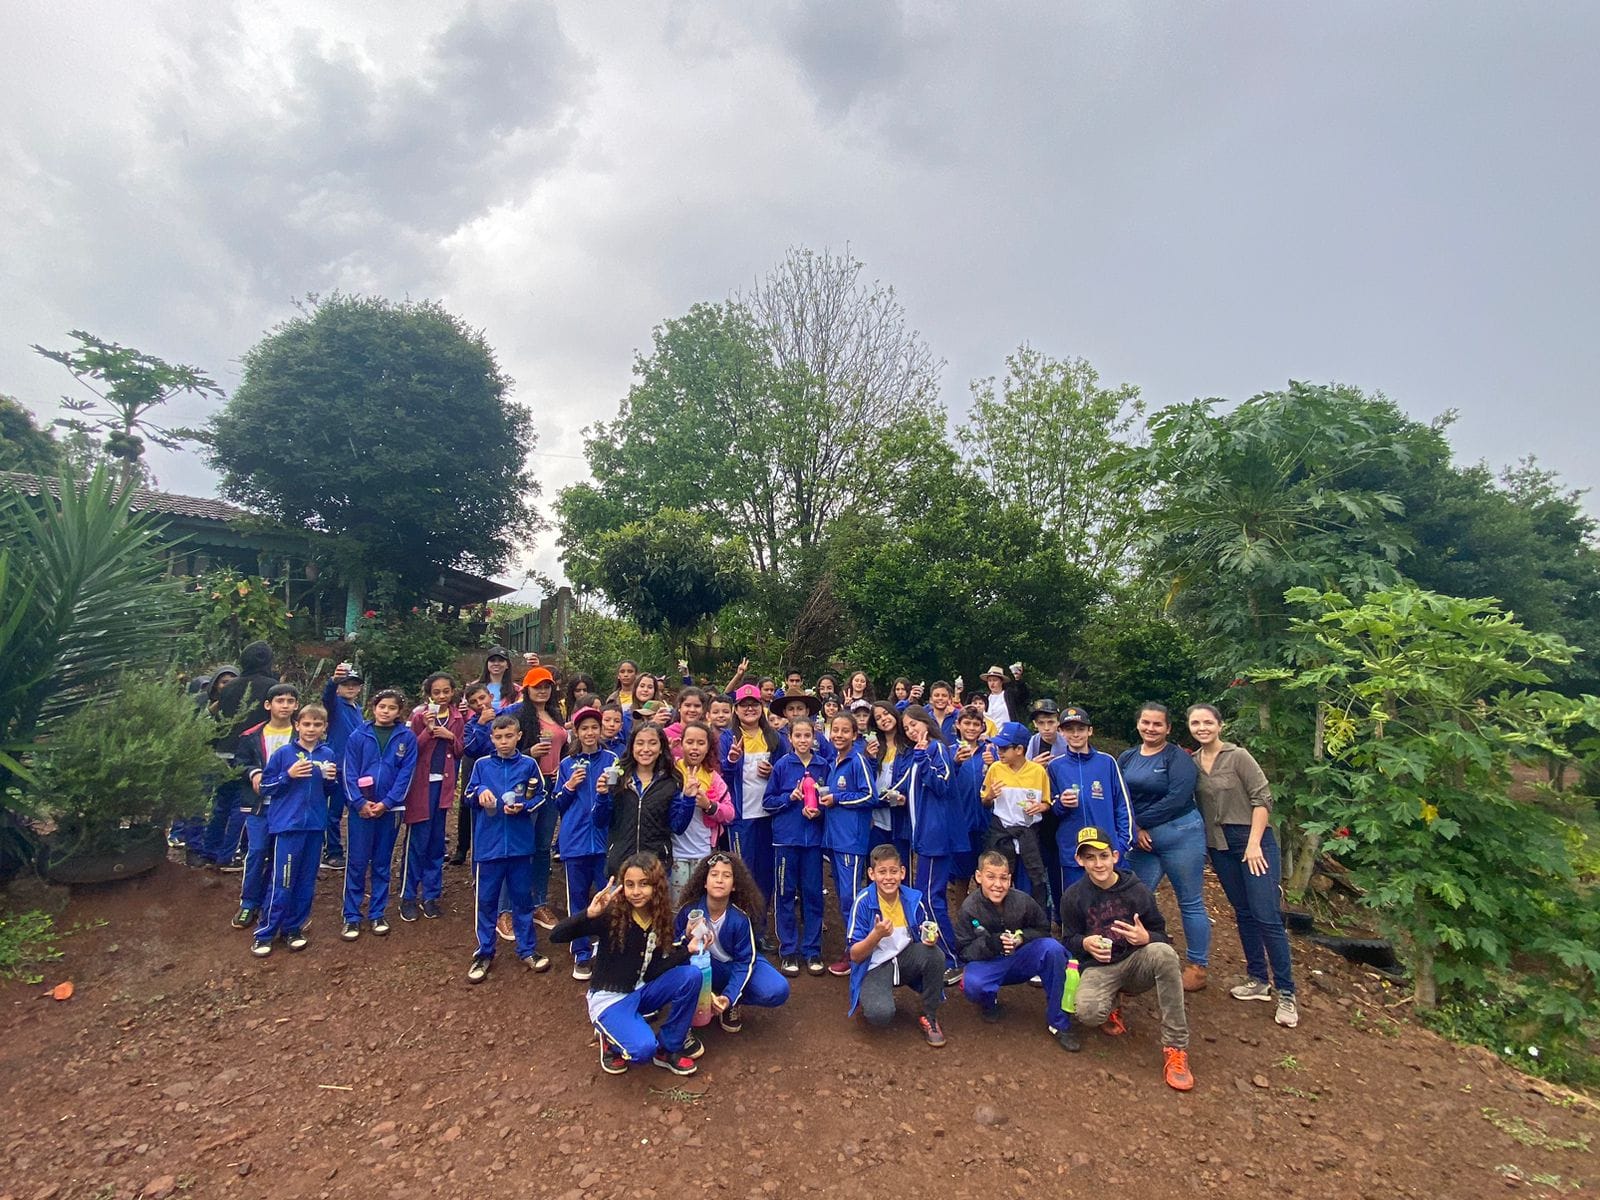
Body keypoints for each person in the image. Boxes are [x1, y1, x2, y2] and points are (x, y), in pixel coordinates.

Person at [1059, 826, 1195, 1091]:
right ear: (1080, 861)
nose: (1098, 864)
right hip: (1098, 968)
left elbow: (1161, 935)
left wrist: (1146, 938)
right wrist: (1084, 943)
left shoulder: (1137, 890)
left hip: (1135, 963)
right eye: (1090, 858)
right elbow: (1068, 942)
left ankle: (1176, 1048)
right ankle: (1111, 1004)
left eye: (1103, 856)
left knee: (1164, 954)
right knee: (1087, 1013)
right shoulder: (1073, 897)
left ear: (1115, 856)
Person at [1188, 703, 1298, 1028]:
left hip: (1254, 842)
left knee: (1267, 915)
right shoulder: (1192, 764)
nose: (1202, 727)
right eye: (1196, 723)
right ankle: (1258, 980)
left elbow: (1263, 799)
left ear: (1219, 725)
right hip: (1219, 846)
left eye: (1208, 722)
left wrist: (1253, 843)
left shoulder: (1238, 756)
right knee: (1243, 912)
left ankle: (1287, 993)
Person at [550, 853, 709, 1076]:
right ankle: (610, 1040)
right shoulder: (611, 916)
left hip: (641, 989)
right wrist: (589, 914)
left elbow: (654, 969)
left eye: (644, 884)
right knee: (643, 1050)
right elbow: (556, 935)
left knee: (691, 976)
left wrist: (687, 948)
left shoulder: (658, 918)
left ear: (657, 887)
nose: (636, 891)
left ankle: (669, 1048)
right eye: (629, 884)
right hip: (610, 999)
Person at [1119, 703, 1210, 992]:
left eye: (1158, 724)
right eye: (1146, 722)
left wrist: (1139, 822)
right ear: (1138, 724)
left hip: (1180, 835)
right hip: (1143, 841)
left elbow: (1176, 798)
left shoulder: (1178, 759)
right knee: (1132, 896)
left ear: (1168, 728)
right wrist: (1134, 828)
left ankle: (1197, 967)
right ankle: (1135, 951)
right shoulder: (1128, 757)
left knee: (1190, 901)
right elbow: (1119, 794)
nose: (1151, 728)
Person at [464, 714, 552, 981]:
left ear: (518, 736)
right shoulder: (481, 765)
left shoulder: (528, 765)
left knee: (522, 901)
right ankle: (484, 952)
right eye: (499, 737)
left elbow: (542, 795)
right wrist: (480, 795)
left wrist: (523, 807)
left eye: (509, 736)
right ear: (492, 738)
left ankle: (527, 949)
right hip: (488, 848)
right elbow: (468, 795)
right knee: (487, 902)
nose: (504, 742)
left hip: (520, 846)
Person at [955, 850, 1072, 1048]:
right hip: (990, 964)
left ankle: (1059, 1022)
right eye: (990, 877)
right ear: (978, 877)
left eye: (1003, 878)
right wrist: (990, 944)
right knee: (972, 984)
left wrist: (1021, 938)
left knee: (1053, 949)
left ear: (1010, 879)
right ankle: (989, 1002)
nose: (997, 885)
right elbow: (963, 951)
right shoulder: (969, 908)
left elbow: (1043, 929)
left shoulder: (1022, 901)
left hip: (1021, 959)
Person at [250, 703, 341, 957]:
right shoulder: (284, 754)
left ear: (324, 728)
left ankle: (293, 928)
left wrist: (331, 780)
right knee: (283, 881)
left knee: (305, 882)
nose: (311, 729)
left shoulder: (328, 754)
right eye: (307, 724)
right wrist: (288, 775)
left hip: (314, 826)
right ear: (297, 725)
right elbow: (266, 787)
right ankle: (265, 933)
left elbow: (332, 793)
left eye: (317, 725)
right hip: (288, 827)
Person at [675, 852, 790, 1035]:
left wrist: (729, 997)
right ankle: (696, 1005)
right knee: (686, 969)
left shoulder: (740, 918)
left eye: (726, 875)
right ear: (704, 882)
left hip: (735, 964)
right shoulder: (690, 911)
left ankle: (730, 1002)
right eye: (714, 874)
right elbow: (672, 951)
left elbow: (744, 961)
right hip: (705, 967)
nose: (719, 880)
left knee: (777, 989)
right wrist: (687, 937)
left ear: (735, 885)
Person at [846, 844, 947, 1046]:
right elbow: (855, 955)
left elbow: (924, 934)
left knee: (935, 954)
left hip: (905, 959)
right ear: (871, 874)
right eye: (882, 872)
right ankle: (867, 1002)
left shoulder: (912, 900)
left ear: (902, 872)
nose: (888, 877)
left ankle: (930, 1015)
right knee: (880, 1016)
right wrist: (876, 935)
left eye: (893, 871)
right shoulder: (864, 902)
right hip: (874, 966)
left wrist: (930, 938)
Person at [340, 688, 417, 939]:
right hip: (360, 810)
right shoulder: (358, 735)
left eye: (392, 708)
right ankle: (351, 916)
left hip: (390, 809)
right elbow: (348, 771)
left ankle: (377, 913)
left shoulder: (406, 737)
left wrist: (387, 802)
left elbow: (406, 774)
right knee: (357, 862)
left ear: (399, 712)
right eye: (382, 706)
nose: (386, 712)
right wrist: (359, 802)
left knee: (382, 862)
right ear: (373, 707)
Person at [200, 640, 280, 870]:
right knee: (241, 805)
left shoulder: (231, 686)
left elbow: (220, 719)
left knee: (221, 803)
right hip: (251, 753)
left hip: (224, 751)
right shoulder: (271, 686)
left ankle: (210, 850)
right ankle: (229, 855)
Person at [898, 705, 961, 984]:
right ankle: (936, 952)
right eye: (907, 728)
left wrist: (923, 757)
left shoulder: (936, 748)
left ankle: (952, 959)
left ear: (926, 722)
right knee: (925, 894)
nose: (911, 730)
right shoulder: (919, 752)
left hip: (937, 837)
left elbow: (942, 785)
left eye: (914, 724)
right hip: (924, 836)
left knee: (931, 897)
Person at [230, 683, 301, 930]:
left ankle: (275, 904)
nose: (285, 705)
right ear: (268, 705)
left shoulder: (302, 736)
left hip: (289, 806)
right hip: (259, 805)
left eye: (290, 701)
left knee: (282, 857)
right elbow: (239, 762)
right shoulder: (251, 736)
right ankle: (249, 901)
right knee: (257, 851)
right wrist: (253, 773)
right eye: (280, 700)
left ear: (296, 706)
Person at [555, 706, 618, 980]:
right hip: (575, 842)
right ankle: (581, 952)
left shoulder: (613, 759)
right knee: (578, 898)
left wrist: (606, 792)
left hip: (605, 843)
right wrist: (570, 786)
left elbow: (620, 801)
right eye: (584, 728)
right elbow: (558, 804)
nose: (590, 733)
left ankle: (610, 948)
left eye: (595, 727)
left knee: (609, 896)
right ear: (576, 733)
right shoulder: (567, 764)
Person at [763, 716, 829, 976]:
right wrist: (789, 798)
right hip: (785, 840)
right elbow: (768, 801)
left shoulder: (823, 766)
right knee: (785, 894)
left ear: (814, 737)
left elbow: (828, 799)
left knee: (813, 894)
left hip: (812, 841)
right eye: (798, 736)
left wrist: (820, 812)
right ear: (789, 738)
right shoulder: (781, 765)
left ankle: (812, 950)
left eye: (807, 735)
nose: (803, 740)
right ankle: (788, 950)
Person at [1046, 706, 1133, 897]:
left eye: (1081, 729)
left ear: (1090, 731)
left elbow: (1123, 805)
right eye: (1069, 729)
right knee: (1076, 907)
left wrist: (1122, 844)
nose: (1075, 734)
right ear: (1061, 732)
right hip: (1073, 853)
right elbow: (1049, 810)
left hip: (1107, 852)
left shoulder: (1107, 762)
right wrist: (1061, 804)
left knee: (1113, 907)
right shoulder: (1054, 767)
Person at [398, 674, 465, 922]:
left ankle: (431, 895)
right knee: (417, 841)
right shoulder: (419, 716)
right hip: (421, 787)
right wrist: (427, 731)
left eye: (446, 691)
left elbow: (461, 750)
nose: (442, 696)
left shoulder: (458, 717)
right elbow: (410, 750)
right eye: (436, 692)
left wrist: (450, 737)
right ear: (429, 694)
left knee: (437, 842)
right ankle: (407, 895)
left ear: (453, 692)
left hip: (444, 787)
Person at [505, 668, 567, 929]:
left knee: (542, 846)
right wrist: (529, 751)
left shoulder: (555, 713)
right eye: (537, 686)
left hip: (552, 785)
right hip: (528, 786)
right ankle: (507, 908)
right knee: (520, 847)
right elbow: (504, 749)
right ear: (527, 689)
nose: (542, 691)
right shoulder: (517, 714)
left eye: (547, 686)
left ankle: (538, 902)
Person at [821, 712, 880, 975]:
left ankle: (858, 952)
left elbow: (870, 795)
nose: (839, 735)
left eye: (845, 731)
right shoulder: (836, 760)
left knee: (851, 898)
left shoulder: (858, 760)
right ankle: (859, 947)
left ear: (855, 735)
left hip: (852, 842)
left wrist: (837, 798)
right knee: (845, 897)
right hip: (835, 840)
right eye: (835, 730)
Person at [720, 684, 781, 936]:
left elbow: (788, 771)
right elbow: (720, 773)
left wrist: (774, 772)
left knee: (765, 875)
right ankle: (739, 931)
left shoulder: (775, 738)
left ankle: (760, 929)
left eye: (754, 704)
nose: (749, 708)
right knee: (741, 874)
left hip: (767, 817)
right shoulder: (727, 737)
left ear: (761, 707)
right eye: (744, 705)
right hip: (740, 818)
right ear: (736, 709)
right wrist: (732, 760)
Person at [981, 721, 1053, 916]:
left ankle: (1031, 920)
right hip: (1001, 833)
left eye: (1004, 748)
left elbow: (1047, 802)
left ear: (1020, 749)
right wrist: (990, 796)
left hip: (1028, 835)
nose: (1000, 752)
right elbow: (985, 801)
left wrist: (1041, 806)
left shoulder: (1038, 772)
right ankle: (997, 918)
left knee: (1032, 880)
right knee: (999, 878)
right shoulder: (995, 769)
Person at [668, 721, 732, 902]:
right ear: (681, 743)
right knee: (677, 906)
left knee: (700, 904)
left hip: (703, 852)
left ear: (708, 747)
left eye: (701, 743)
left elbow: (729, 813)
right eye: (690, 742)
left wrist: (709, 805)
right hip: (675, 854)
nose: (695, 748)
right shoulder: (671, 772)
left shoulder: (713, 777)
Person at [606, 723, 680, 876]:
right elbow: (600, 821)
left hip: (656, 867)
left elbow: (677, 826)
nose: (646, 749)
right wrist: (601, 795)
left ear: (661, 748)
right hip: (621, 866)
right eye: (640, 743)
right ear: (632, 747)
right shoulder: (617, 779)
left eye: (652, 743)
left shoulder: (671, 781)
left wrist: (689, 799)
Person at [449, 682, 497, 867]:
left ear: (491, 697)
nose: (480, 704)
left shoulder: (506, 716)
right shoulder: (471, 725)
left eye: (482, 698)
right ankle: (472, 854)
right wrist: (481, 724)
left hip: (504, 773)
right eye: (474, 702)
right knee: (473, 811)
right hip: (481, 773)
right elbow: (470, 749)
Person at [864, 701, 911, 866]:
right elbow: (867, 780)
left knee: (900, 867)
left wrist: (886, 798)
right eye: (878, 717)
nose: (883, 719)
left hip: (900, 819)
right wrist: (870, 759)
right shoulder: (874, 747)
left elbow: (908, 780)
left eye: (886, 713)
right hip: (876, 820)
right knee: (876, 867)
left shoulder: (908, 746)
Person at [474, 646, 516, 710]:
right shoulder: (474, 686)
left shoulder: (516, 690)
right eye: (492, 660)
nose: (496, 663)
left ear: (507, 665)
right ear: (487, 664)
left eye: (501, 660)